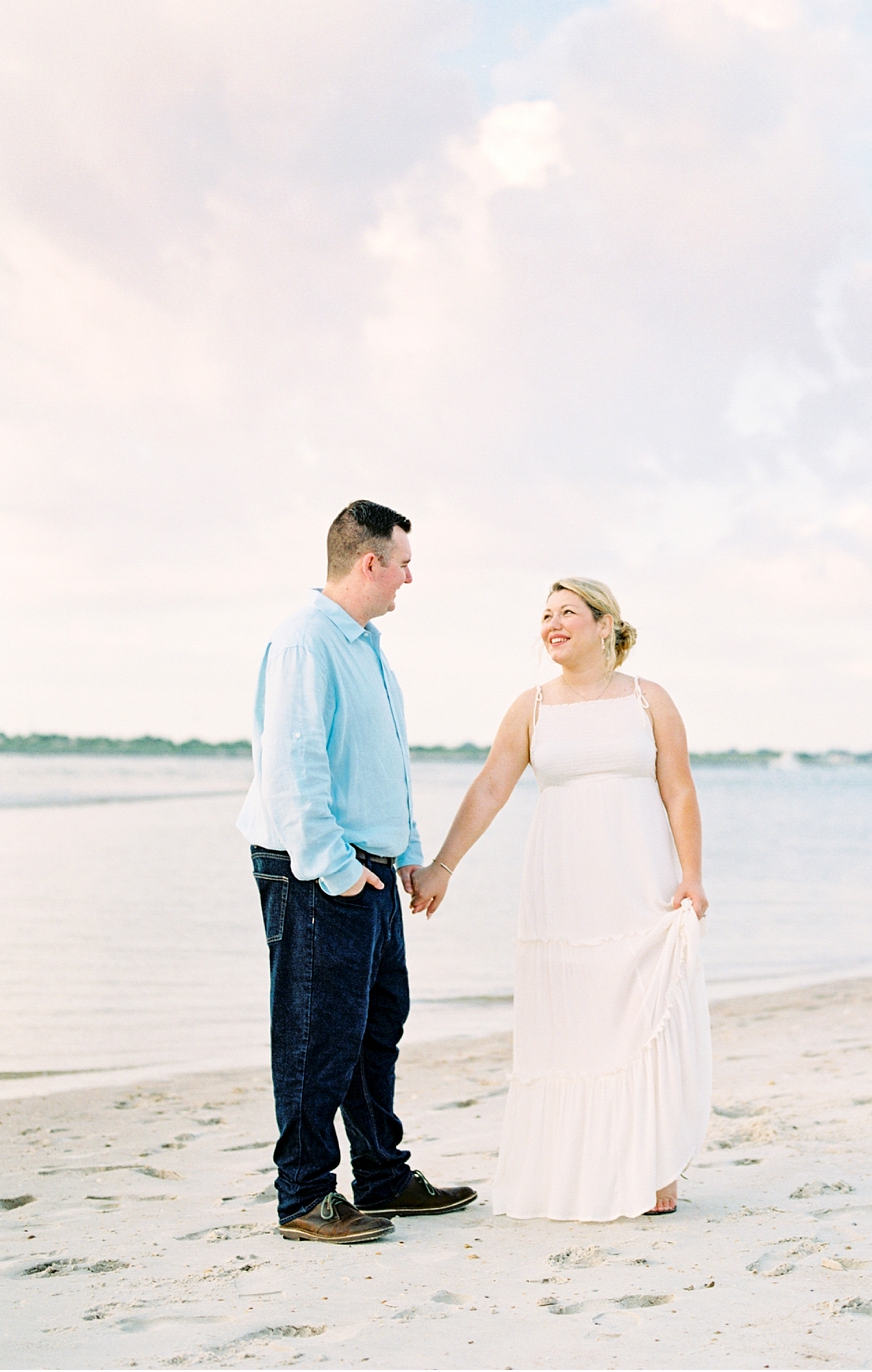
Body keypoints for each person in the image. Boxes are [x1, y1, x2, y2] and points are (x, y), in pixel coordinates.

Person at [409, 578, 712, 1221]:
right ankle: (570, 1169)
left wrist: (692, 875)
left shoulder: (648, 699)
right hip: (562, 885)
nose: (552, 623)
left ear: (606, 624)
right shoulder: (532, 707)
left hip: (640, 878)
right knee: (571, 1018)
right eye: (545, 615)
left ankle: (652, 1165)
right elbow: (492, 786)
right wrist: (442, 865)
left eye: (567, 612)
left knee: (635, 1010)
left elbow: (679, 789)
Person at [237, 499, 476, 1244]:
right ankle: (304, 1196)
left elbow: (383, 761)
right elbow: (294, 762)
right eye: (403, 561)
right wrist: (332, 868)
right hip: (319, 871)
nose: (410, 576)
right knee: (317, 1035)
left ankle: (381, 1175)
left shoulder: (364, 644)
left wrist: (407, 851)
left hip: (367, 868)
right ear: (369, 560)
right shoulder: (307, 639)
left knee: (376, 1028)